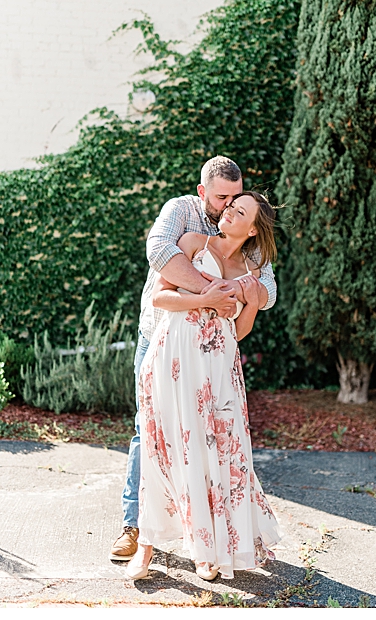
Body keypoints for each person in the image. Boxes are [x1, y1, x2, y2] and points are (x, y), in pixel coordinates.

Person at [110, 156, 276, 563]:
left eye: (237, 200)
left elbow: (265, 293)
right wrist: (213, 292)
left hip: (214, 360)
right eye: (223, 198)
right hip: (161, 338)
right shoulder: (182, 213)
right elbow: (159, 253)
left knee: (208, 443)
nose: (229, 205)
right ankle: (135, 528)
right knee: (150, 432)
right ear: (204, 192)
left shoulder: (251, 253)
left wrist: (244, 294)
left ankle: (202, 538)